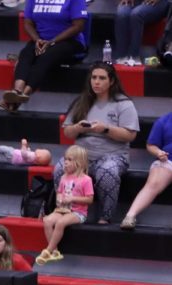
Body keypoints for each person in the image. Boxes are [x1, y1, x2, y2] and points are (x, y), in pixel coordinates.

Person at [54, 62, 138, 224]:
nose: (96, 82)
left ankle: (105, 217)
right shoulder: (83, 101)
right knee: (59, 169)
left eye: (101, 78)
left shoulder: (123, 103)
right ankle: (66, 209)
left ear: (111, 81)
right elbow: (67, 132)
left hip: (112, 155)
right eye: (94, 77)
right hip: (82, 155)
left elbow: (130, 135)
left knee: (108, 171)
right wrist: (78, 128)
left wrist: (106, 129)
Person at [0, 0, 87, 113]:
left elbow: (78, 26)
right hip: (41, 40)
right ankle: (17, 90)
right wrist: (37, 40)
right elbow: (28, 23)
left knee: (46, 55)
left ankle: (24, 94)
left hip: (70, 41)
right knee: (26, 54)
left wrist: (53, 41)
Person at [37, 146, 94, 265]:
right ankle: (55, 252)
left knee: (60, 223)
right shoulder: (63, 177)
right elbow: (59, 192)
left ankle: (48, 250)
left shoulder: (86, 180)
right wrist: (59, 198)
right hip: (62, 209)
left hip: (78, 212)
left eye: (69, 159)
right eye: (65, 159)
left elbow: (89, 199)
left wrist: (73, 198)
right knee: (47, 220)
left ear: (79, 162)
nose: (65, 162)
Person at [120, 110, 172, 230]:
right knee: (153, 183)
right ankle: (130, 216)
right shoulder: (163, 121)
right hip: (168, 160)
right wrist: (159, 152)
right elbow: (151, 145)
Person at [114, 0, 170, 66]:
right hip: (136, 2)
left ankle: (134, 57)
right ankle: (122, 57)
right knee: (121, 14)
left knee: (136, 14)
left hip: (159, 3)